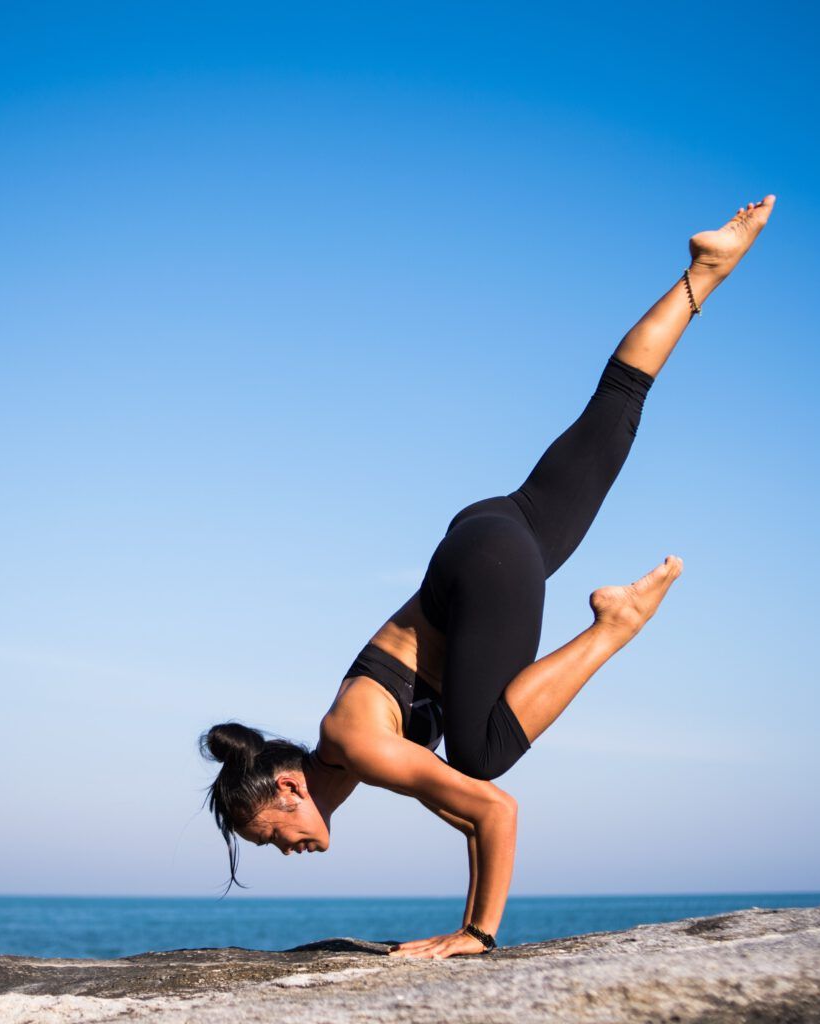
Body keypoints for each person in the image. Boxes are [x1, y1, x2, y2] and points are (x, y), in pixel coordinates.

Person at [198, 195, 777, 959]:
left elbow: (493, 809)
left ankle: (614, 625)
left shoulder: (356, 744)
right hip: (487, 535)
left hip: (487, 570)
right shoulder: (350, 753)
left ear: (288, 790)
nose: (283, 851)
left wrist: (475, 933)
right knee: (613, 412)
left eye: (271, 837)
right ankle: (706, 270)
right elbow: (462, 814)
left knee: (480, 754)